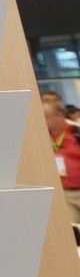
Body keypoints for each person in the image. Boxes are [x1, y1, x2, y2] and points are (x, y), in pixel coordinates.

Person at [42, 91, 80, 222]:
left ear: (59, 115)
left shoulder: (76, 131)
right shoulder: (42, 137)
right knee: (70, 227)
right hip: (64, 193)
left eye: (46, 117)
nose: (43, 121)